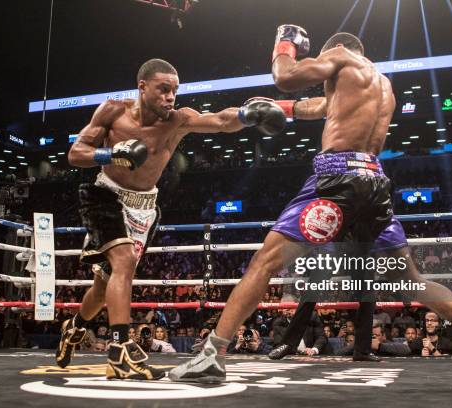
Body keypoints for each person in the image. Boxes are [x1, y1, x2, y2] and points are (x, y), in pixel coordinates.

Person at [170, 29, 452, 385]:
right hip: (374, 182)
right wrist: (277, 109)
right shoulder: (381, 85)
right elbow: (318, 107)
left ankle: (212, 354)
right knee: (411, 281)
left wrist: (285, 42)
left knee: (265, 262)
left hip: (335, 178)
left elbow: (286, 76)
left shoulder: (339, 57)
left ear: (335, 52)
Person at [54, 58, 286, 380]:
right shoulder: (112, 111)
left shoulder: (178, 120)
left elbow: (219, 120)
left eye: (174, 91)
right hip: (105, 194)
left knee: (105, 283)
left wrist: (247, 115)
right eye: (164, 89)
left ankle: (75, 327)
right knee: (123, 263)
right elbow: (75, 153)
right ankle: (119, 349)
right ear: (143, 87)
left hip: (144, 205)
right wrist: (110, 154)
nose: (170, 97)